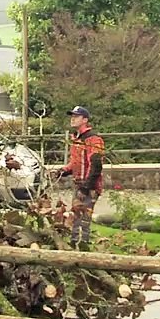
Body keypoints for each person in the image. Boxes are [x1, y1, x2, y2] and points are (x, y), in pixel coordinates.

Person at [59, 105, 104, 250]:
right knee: (76, 216)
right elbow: (76, 161)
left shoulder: (93, 139)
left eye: (76, 116)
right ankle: (74, 245)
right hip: (79, 184)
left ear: (85, 120)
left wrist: (86, 187)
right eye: (72, 116)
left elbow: (96, 164)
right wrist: (63, 171)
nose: (72, 119)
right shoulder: (76, 139)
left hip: (89, 186)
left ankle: (83, 247)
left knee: (84, 218)